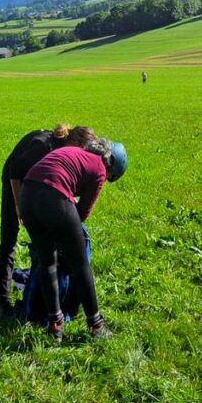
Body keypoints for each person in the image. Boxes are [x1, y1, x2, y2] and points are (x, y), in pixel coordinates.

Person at [19, 136, 127, 342]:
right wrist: (66, 233)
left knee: (47, 261)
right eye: (110, 177)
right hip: (52, 194)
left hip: (27, 195)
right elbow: (82, 212)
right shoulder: (99, 167)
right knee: (79, 263)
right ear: (111, 162)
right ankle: (96, 326)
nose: (106, 179)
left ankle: (55, 324)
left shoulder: (73, 152)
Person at [0, 123, 94, 316]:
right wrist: (19, 206)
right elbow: (15, 170)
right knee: (9, 236)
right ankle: (3, 300)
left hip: (38, 186)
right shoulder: (43, 145)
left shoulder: (64, 152)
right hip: (15, 181)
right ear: (74, 142)